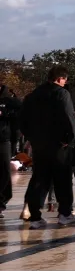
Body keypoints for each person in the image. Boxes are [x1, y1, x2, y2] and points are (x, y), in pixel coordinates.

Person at [21, 65, 75, 228]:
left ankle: (35, 216)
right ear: (61, 79)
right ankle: (64, 213)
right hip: (59, 144)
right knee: (62, 179)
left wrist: (32, 137)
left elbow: (23, 119)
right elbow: (69, 118)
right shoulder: (62, 93)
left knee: (39, 179)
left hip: (39, 144)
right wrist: (70, 139)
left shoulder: (33, 95)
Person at [0, 83, 18, 216]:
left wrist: (6, 114)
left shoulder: (7, 100)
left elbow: (21, 109)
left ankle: (1, 202)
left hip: (3, 140)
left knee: (4, 171)